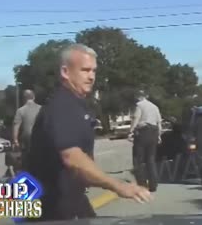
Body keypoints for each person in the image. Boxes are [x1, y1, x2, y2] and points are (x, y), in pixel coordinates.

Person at [26, 43, 152, 221]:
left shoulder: (77, 104)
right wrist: (118, 186)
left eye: (94, 71)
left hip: (71, 200)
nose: (91, 76)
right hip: (51, 209)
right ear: (65, 72)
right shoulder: (62, 106)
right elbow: (72, 157)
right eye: (85, 70)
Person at [129, 90, 163, 192]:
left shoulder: (139, 105)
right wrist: (159, 135)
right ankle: (153, 185)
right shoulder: (154, 106)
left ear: (139, 97)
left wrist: (131, 131)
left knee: (138, 159)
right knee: (151, 159)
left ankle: (142, 184)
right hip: (154, 131)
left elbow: (136, 118)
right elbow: (159, 122)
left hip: (143, 131)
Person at [12, 89, 41, 170]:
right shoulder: (41, 109)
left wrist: (15, 140)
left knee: (26, 159)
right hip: (40, 137)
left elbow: (16, 126)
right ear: (34, 97)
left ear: (24, 98)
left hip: (27, 137)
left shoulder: (21, 110)